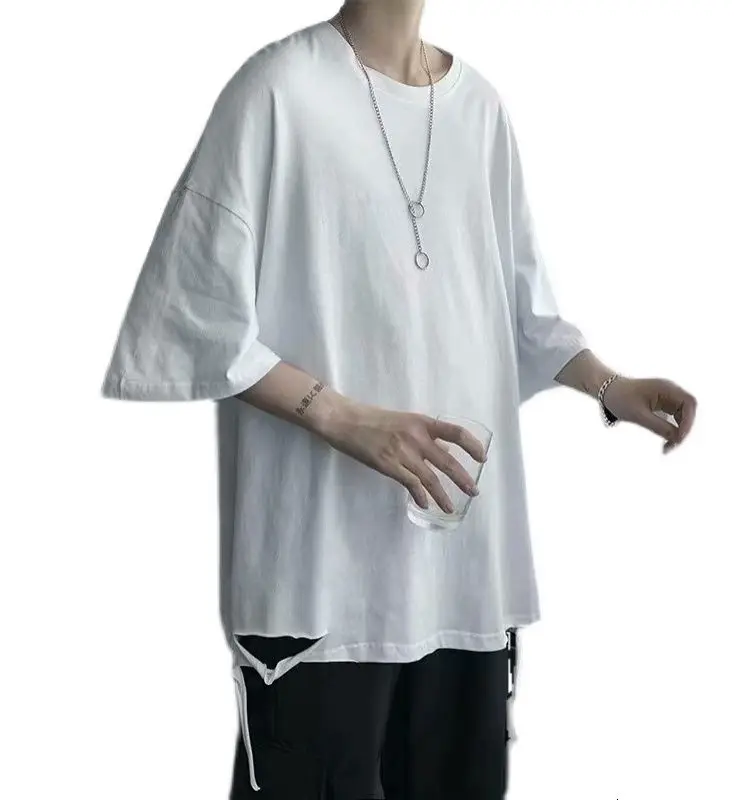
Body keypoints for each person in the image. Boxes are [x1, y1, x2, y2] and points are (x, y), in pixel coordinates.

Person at [100, 1, 697, 797]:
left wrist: (610, 386)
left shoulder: (479, 108)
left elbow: (518, 310)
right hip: (321, 587)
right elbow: (191, 314)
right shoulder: (278, 91)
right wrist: (342, 416)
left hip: (460, 577)